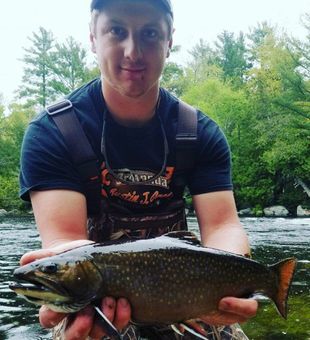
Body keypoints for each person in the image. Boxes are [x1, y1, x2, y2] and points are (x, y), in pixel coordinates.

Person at [19, 0, 258, 339]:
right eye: (117, 31)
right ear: (92, 36)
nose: (133, 51)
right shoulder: (53, 132)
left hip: (184, 287)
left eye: (149, 34)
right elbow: (64, 240)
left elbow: (222, 225)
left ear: (169, 40)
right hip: (99, 296)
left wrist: (233, 278)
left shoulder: (199, 132)